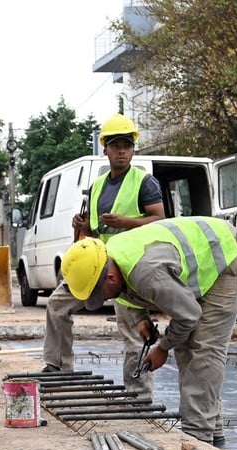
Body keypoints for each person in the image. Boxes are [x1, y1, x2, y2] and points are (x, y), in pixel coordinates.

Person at [60, 217, 237, 447]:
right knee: (185, 346)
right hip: (201, 257)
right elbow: (125, 290)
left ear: (109, 277)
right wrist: (141, 318)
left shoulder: (147, 273)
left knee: (204, 350)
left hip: (226, 254)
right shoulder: (107, 258)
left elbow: (189, 315)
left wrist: (162, 348)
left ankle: (198, 438)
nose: (103, 300)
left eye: (100, 294)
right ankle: (213, 432)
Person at [41, 114, 166, 400]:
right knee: (57, 304)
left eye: (127, 146)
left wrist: (126, 222)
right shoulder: (97, 186)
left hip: (129, 267)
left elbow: (159, 220)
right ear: (105, 149)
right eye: (116, 146)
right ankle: (58, 366)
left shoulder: (144, 182)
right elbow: (95, 230)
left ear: (133, 149)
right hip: (98, 262)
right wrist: (82, 227)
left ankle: (139, 396)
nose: (122, 151)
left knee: (134, 329)